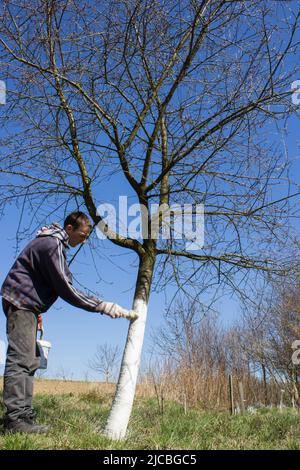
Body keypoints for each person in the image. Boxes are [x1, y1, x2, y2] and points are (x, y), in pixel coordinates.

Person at [1, 211, 137, 435]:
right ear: (70, 229)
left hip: (27, 306)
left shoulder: (53, 244)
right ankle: (15, 421)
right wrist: (103, 306)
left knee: (30, 361)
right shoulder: (52, 244)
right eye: (83, 235)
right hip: (21, 303)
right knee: (21, 361)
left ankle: (23, 415)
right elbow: (66, 288)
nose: (84, 241)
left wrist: (38, 308)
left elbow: (51, 280)